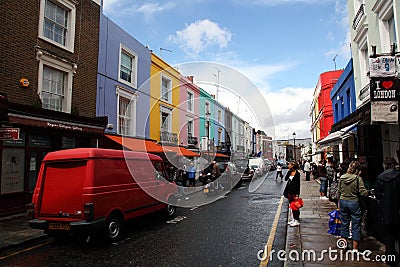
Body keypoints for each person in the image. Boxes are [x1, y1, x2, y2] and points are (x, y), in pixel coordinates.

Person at [337, 161, 368, 253]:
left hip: (343, 201)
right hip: (354, 202)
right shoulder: (358, 178)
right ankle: (355, 249)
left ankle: (344, 245)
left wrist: (339, 202)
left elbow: (338, 191)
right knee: (356, 225)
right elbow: (363, 192)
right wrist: (368, 193)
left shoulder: (342, 177)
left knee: (344, 224)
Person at [374, 157, 400, 266]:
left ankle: (391, 259)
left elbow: (378, 195)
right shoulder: (399, 176)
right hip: (398, 210)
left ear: (385, 165)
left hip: (387, 212)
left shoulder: (381, 178)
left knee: (389, 237)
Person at [283, 161, 301, 227]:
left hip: (294, 192)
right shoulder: (290, 172)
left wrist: (297, 194)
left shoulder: (297, 174)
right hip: (289, 191)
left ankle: (296, 220)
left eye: (290, 164)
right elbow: (285, 179)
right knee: (291, 206)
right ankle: (293, 219)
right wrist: (288, 172)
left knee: (295, 207)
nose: (288, 165)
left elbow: (298, 184)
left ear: (293, 166)